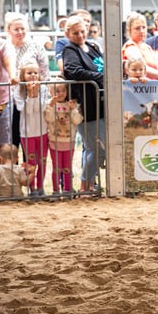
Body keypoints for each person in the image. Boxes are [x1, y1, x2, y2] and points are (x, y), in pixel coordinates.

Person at [61, 14, 105, 193]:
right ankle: (84, 186)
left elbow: (104, 65)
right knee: (96, 148)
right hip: (86, 106)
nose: (80, 35)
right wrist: (100, 77)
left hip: (101, 104)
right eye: (75, 33)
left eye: (82, 31)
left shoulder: (93, 46)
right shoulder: (70, 50)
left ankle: (88, 184)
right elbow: (73, 70)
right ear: (68, 34)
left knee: (98, 148)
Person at [5, 12, 50, 151]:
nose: (20, 32)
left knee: (30, 135)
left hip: (33, 97)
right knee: (12, 137)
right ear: (9, 30)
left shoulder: (36, 46)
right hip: (9, 98)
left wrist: (40, 91)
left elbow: (44, 72)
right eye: (16, 29)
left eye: (23, 28)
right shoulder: (5, 47)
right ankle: (12, 169)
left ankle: (28, 169)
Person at [14, 61, 50, 196]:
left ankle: (41, 187)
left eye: (36, 73)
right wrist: (30, 94)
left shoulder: (44, 89)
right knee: (30, 163)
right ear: (23, 76)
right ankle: (32, 188)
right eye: (29, 73)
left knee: (42, 161)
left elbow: (40, 109)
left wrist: (35, 94)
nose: (33, 75)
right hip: (27, 133)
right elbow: (27, 110)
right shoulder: (18, 90)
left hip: (42, 131)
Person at [44, 81, 82, 194]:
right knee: (56, 168)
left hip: (69, 141)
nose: (60, 93)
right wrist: (51, 106)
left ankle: (67, 189)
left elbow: (77, 120)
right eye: (57, 91)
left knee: (67, 167)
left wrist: (73, 109)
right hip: (54, 142)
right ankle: (56, 191)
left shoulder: (72, 104)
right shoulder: (49, 104)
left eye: (63, 90)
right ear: (50, 92)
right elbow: (49, 119)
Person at [122, 12, 158, 80]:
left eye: (144, 27)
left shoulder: (147, 47)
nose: (142, 31)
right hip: (137, 88)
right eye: (137, 28)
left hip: (154, 87)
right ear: (129, 30)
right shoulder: (130, 47)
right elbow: (142, 68)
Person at [0, 25, 18, 165]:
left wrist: (13, 76)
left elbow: (9, 62)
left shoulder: (4, 46)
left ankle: (1, 178)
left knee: (3, 142)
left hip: (3, 100)